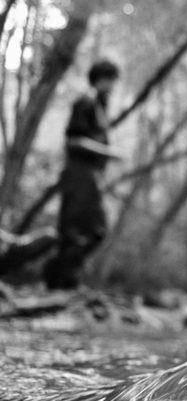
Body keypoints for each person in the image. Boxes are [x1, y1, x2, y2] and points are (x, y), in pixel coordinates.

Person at [43, 60, 121, 290]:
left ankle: (58, 274)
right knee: (76, 230)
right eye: (112, 81)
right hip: (78, 174)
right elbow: (74, 140)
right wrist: (109, 152)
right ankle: (63, 283)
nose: (114, 86)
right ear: (102, 79)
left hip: (91, 175)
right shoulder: (85, 102)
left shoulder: (99, 106)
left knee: (96, 229)